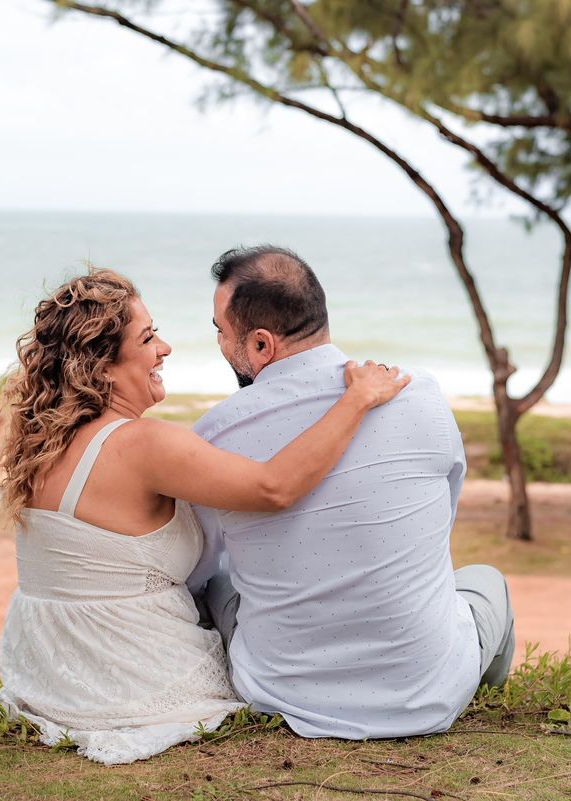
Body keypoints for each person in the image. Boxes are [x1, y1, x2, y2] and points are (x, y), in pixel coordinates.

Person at [0, 267, 410, 765]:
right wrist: (357, 398)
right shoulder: (143, 444)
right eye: (147, 338)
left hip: (48, 673)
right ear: (101, 368)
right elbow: (275, 488)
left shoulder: (41, 445)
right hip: (130, 674)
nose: (164, 348)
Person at [187, 245, 516, 740]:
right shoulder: (418, 393)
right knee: (484, 579)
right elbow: (437, 525)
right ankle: (479, 683)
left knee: (218, 580)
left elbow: (198, 564)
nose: (217, 341)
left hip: (280, 693)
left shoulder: (215, 435)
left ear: (259, 344)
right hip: (428, 695)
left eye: (220, 330)